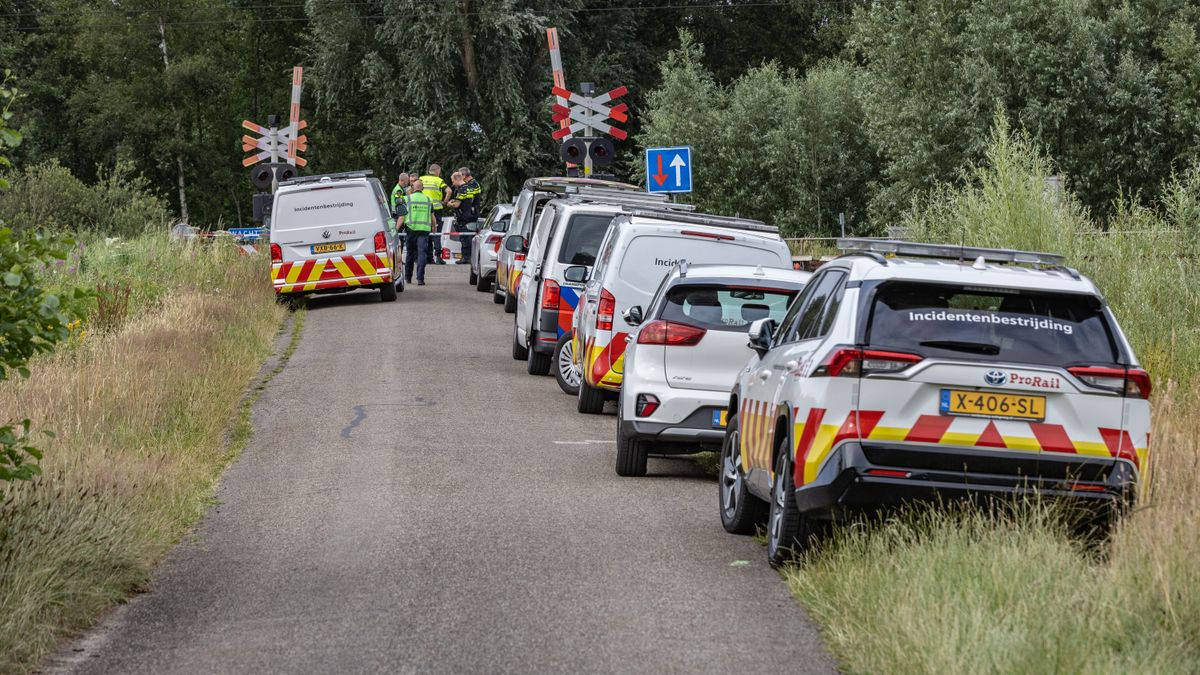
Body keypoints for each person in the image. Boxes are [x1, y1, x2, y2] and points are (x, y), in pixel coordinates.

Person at [398, 179, 435, 285]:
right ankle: (420, 279)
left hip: (411, 229)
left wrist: (396, 229)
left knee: (410, 254)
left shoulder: (406, 199)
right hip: (424, 230)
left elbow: (402, 216)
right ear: (422, 188)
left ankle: (408, 278)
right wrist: (434, 226)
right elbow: (432, 216)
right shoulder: (428, 199)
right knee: (422, 254)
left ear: (413, 188)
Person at [418, 164, 452, 265]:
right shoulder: (439, 180)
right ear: (437, 171)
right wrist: (445, 202)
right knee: (436, 233)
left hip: (423, 209)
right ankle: (438, 257)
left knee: (425, 233)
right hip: (436, 210)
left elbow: (411, 191)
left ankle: (428, 257)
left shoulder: (421, 179)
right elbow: (449, 191)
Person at [449, 168, 480, 265]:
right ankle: (468, 257)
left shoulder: (462, 189)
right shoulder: (470, 187)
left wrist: (450, 204)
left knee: (465, 238)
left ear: (458, 178)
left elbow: (458, 204)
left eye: (453, 181)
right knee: (468, 238)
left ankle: (466, 257)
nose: (453, 183)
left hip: (464, 217)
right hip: (470, 215)